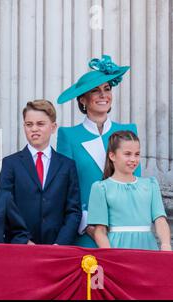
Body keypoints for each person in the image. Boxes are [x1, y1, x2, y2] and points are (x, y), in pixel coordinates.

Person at [56, 55, 141, 247]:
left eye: (107, 89)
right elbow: (66, 187)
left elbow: (136, 183)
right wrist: (88, 226)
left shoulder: (129, 131)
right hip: (86, 232)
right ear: (83, 100)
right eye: (96, 91)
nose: (103, 95)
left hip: (123, 230)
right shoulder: (68, 135)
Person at [0, 100, 81, 245]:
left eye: (40, 124)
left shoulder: (67, 165)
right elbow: (5, 207)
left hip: (57, 247)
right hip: (21, 246)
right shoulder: (10, 164)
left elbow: (73, 210)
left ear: (53, 127)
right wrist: (23, 240)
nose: (34, 129)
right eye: (29, 124)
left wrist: (60, 244)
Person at [88, 131, 171, 251]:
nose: (133, 159)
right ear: (112, 156)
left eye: (137, 154)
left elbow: (160, 220)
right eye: (127, 154)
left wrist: (166, 245)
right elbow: (100, 231)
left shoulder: (150, 185)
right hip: (117, 250)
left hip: (148, 248)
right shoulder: (101, 188)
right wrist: (110, 255)